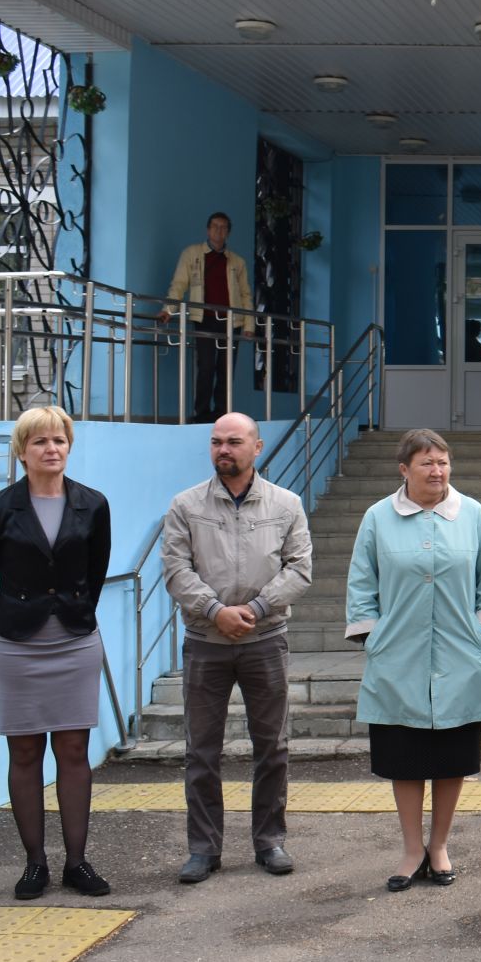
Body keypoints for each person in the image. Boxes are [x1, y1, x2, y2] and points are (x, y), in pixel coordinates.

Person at [344, 429, 481, 892]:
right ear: (404, 470)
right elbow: (362, 581)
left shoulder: (472, 514)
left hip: (460, 653)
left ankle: (439, 846)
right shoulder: (378, 517)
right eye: (426, 463)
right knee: (405, 758)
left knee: (452, 757)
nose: (437, 471)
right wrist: (371, 637)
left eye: (443, 462)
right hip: (398, 656)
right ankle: (411, 849)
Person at [0, 407, 113, 900]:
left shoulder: (92, 505)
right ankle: (34, 866)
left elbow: (94, 574)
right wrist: (3, 620)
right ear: (22, 451)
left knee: (73, 751)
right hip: (16, 647)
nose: (51, 449)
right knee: (24, 751)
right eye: (40, 442)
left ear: (69, 446)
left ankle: (77, 863)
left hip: (74, 642)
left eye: (59, 440)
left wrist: (71, 613)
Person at [160, 412, 313, 884]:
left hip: (265, 640)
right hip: (205, 643)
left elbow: (300, 567)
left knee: (272, 747)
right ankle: (203, 850)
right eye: (216, 442)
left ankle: (270, 842)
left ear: (257, 447)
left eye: (233, 442)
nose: (223, 450)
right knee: (201, 751)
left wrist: (257, 608)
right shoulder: (185, 506)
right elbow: (176, 569)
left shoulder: (286, 505)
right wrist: (215, 611)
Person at [160, 211, 254, 423]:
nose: (218, 231)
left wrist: (249, 324)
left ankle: (221, 413)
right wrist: (168, 309)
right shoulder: (192, 254)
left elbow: (246, 293)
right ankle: (201, 413)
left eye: (223, 227)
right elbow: (179, 284)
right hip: (205, 318)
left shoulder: (237, 262)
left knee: (226, 369)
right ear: (207, 229)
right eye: (215, 226)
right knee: (206, 366)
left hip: (232, 321)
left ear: (228, 233)